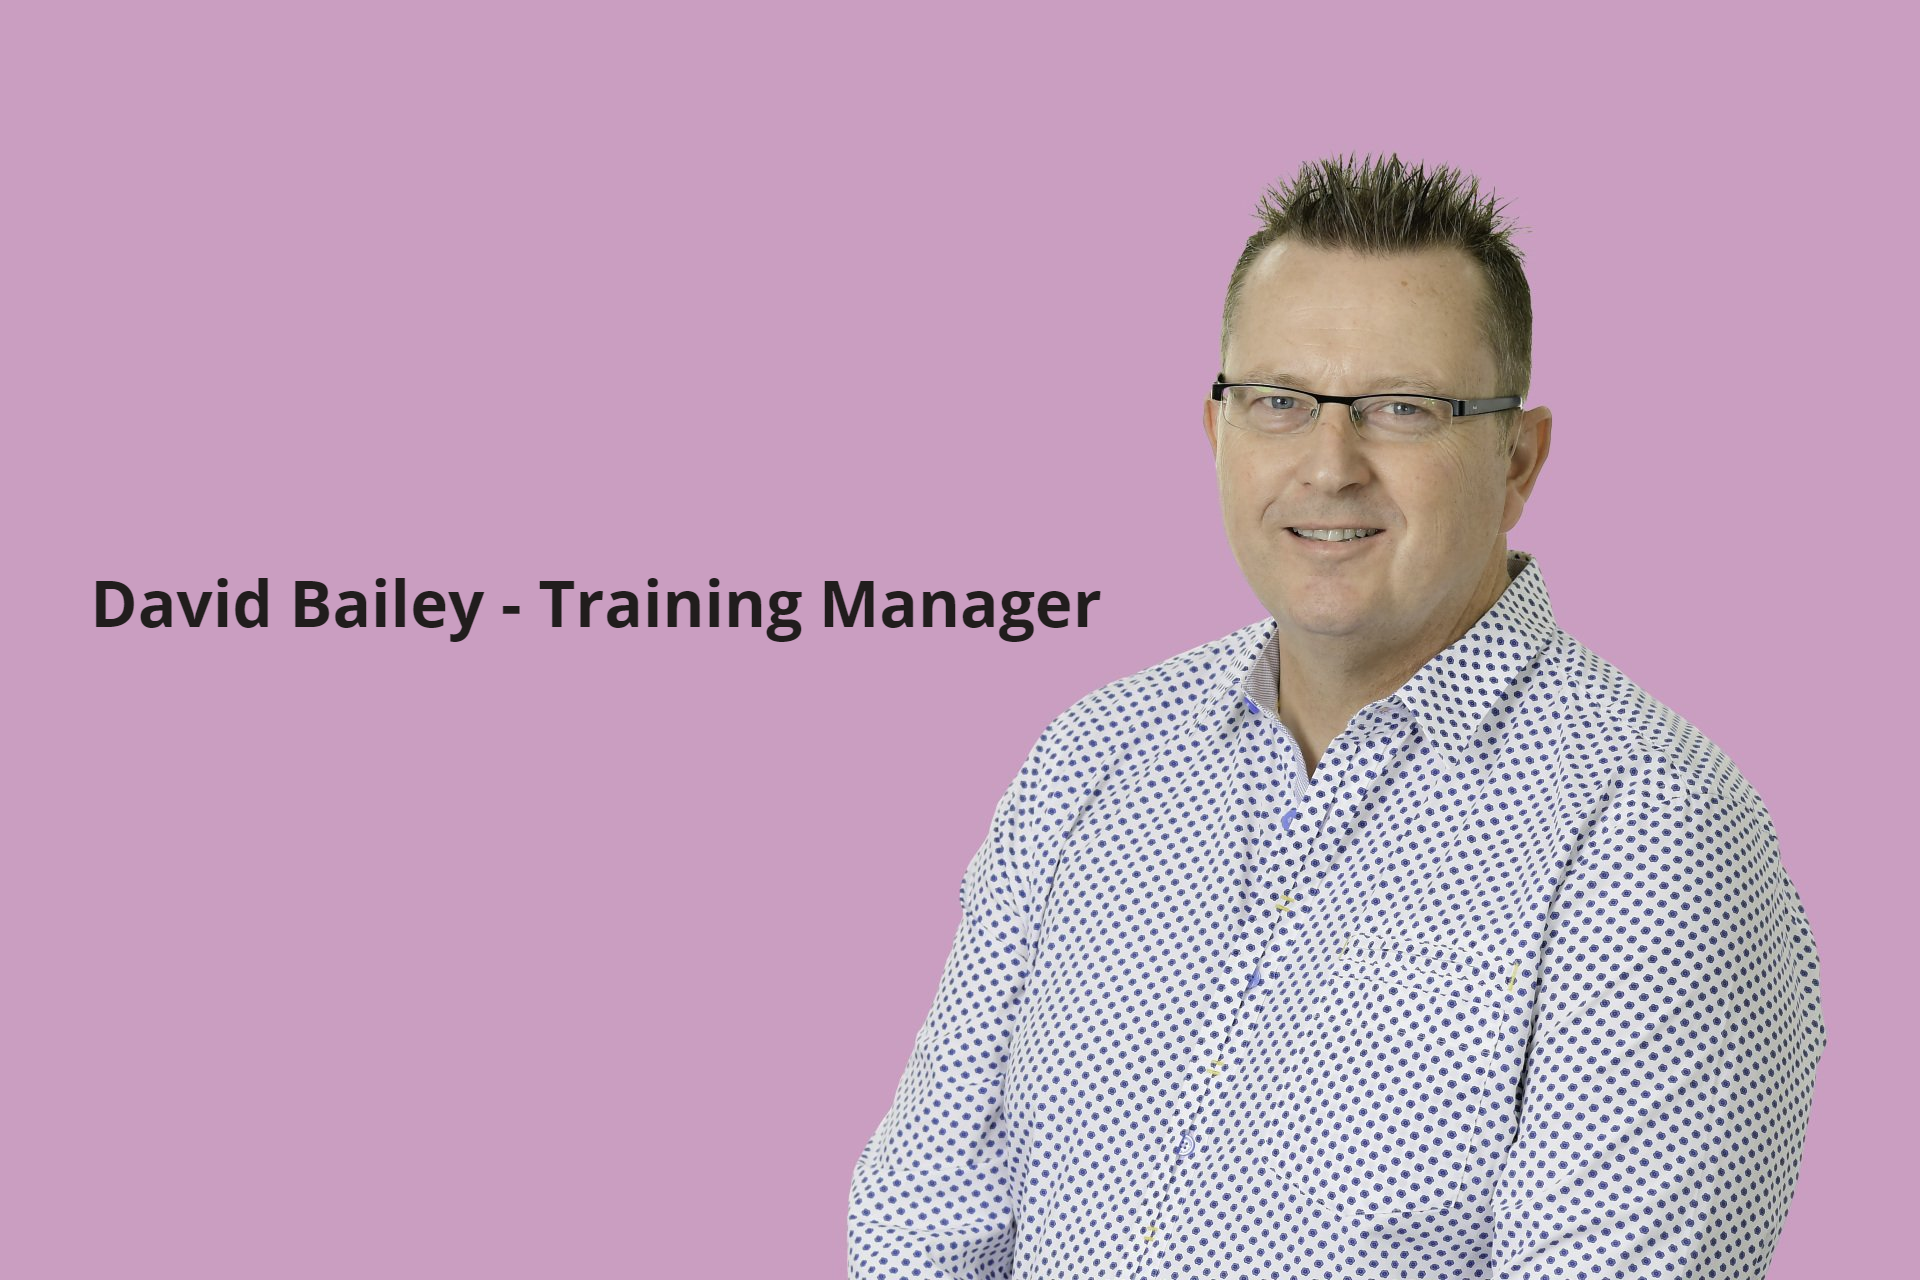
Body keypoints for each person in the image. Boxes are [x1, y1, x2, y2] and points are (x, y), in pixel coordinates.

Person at [845, 153, 1826, 1279]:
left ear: (1518, 456)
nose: (1329, 465)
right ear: (1216, 432)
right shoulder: (1093, 758)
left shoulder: (1651, 828)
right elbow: (922, 1222)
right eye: (1278, 402)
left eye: (1403, 409)